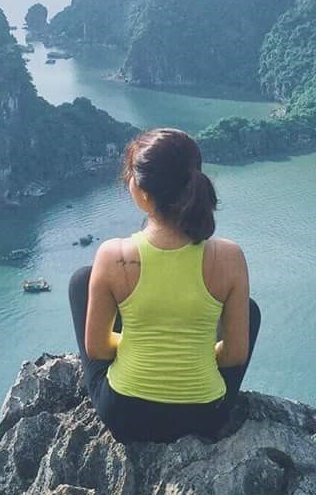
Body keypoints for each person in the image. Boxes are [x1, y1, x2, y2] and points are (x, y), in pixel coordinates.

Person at [69, 127, 261, 443]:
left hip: (125, 416)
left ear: (143, 193)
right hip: (203, 418)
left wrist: (138, 344)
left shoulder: (114, 255)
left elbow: (98, 349)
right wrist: (192, 352)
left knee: (82, 282)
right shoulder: (229, 256)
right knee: (248, 312)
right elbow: (233, 356)